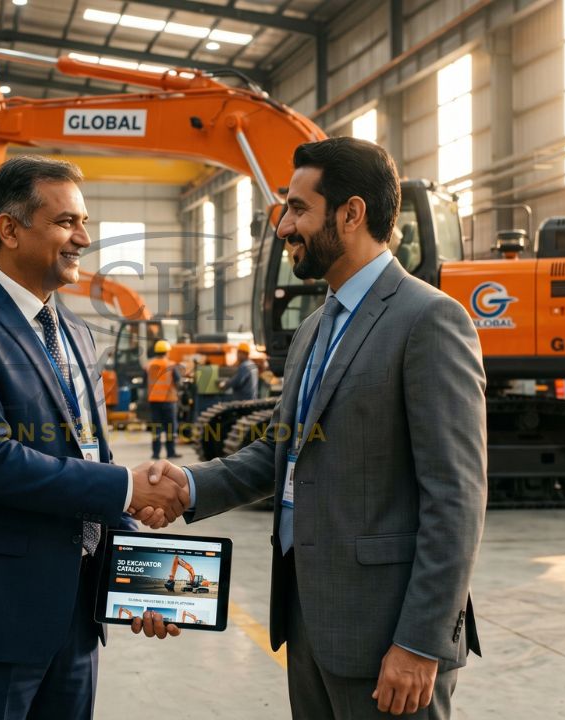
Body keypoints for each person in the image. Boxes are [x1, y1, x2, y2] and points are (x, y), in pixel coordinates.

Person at [142, 138, 487, 719]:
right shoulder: (316, 327)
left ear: (351, 214)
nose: (284, 227)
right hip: (309, 623)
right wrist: (187, 484)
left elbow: (457, 497)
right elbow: (281, 451)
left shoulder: (428, 319)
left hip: (388, 640)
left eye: (298, 209)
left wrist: (420, 643)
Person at [0, 155, 189, 720]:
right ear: (10, 229)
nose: (83, 238)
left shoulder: (77, 334)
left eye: (84, 223)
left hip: (77, 620)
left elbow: (89, 460)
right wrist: (126, 487)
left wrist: (143, 579)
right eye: (66, 222)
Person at [145, 339, 183, 460]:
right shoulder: (171, 365)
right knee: (171, 427)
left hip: (154, 401)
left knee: (156, 427)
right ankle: (170, 452)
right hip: (168, 401)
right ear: (167, 352)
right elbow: (178, 382)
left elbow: (144, 382)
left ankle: (155, 454)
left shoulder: (149, 365)